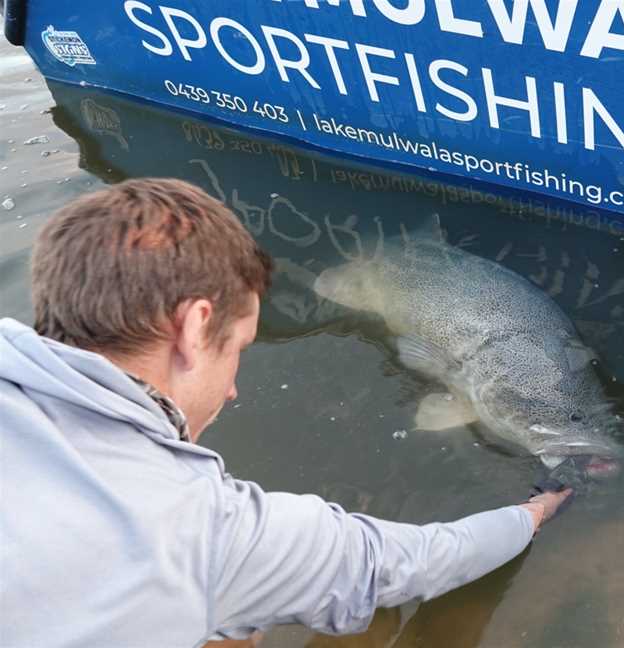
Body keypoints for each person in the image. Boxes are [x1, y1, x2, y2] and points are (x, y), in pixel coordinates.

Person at [0, 178, 571, 647]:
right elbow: (403, 565)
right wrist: (535, 513)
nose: (232, 392)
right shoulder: (206, 532)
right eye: (237, 349)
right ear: (195, 328)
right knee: (339, 620)